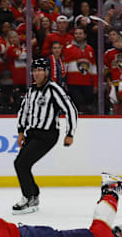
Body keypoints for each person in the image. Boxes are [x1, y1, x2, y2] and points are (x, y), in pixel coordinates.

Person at [13, 58, 78, 214]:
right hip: (32, 133)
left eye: (40, 70)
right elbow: (24, 111)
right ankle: (32, 195)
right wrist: (21, 131)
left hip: (47, 135)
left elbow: (70, 110)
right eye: (34, 70)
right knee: (22, 164)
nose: (37, 73)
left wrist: (70, 133)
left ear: (47, 72)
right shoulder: (31, 90)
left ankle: (30, 198)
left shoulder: (54, 89)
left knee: (21, 164)